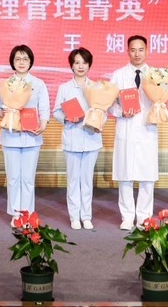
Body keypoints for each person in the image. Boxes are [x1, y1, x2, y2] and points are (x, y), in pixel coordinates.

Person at [0, 45, 50, 222]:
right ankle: (15, 214)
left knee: (27, 178)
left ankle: (27, 214)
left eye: (25, 59)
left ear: (31, 61)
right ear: (12, 62)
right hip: (10, 136)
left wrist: (43, 124)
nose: (21, 62)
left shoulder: (38, 84)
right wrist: (3, 112)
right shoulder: (5, 84)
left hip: (32, 137)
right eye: (18, 59)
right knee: (13, 178)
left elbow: (44, 108)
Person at [109, 35, 158, 231]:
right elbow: (109, 103)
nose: (137, 54)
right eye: (133, 50)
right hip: (126, 128)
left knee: (147, 177)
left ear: (147, 51)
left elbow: (161, 100)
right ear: (127, 51)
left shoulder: (156, 76)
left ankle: (144, 217)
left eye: (141, 50)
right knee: (125, 175)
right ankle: (127, 216)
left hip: (147, 129)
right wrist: (121, 112)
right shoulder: (118, 75)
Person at [53, 47, 102, 230]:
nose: (81, 66)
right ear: (71, 66)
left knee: (87, 180)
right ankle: (74, 216)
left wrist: (99, 122)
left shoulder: (97, 87)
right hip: (72, 138)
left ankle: (86, 216)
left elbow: (102, 111)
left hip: (91, 138)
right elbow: (56, 112)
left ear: (89, 65)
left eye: (84, 62)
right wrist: (67, 118)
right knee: (73, 180)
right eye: (77, 62)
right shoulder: (64, 88)